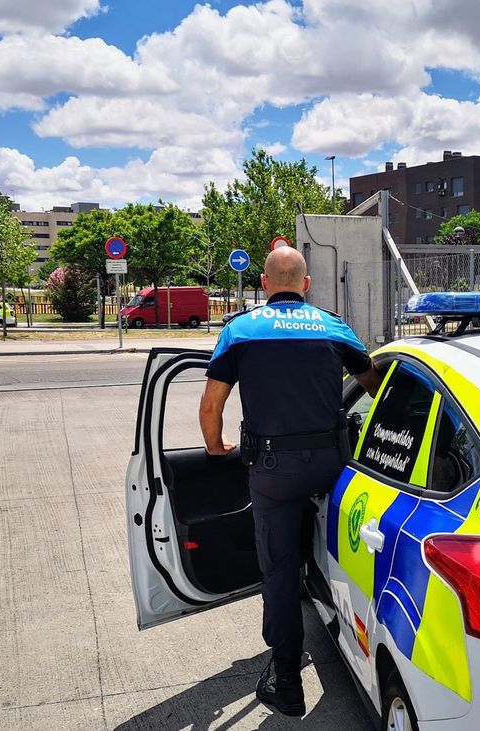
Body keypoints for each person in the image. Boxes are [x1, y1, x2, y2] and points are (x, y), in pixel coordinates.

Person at [200, 246, 383, 717]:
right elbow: (374, 384)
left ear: (264, 284)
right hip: (332, 465)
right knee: (332, 530)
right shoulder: (332, 324)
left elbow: (211, 406)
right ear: (306, 285)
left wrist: (216, 447)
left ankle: (287, 679)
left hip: (273, 471)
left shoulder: (239, 329)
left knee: (278, 571)